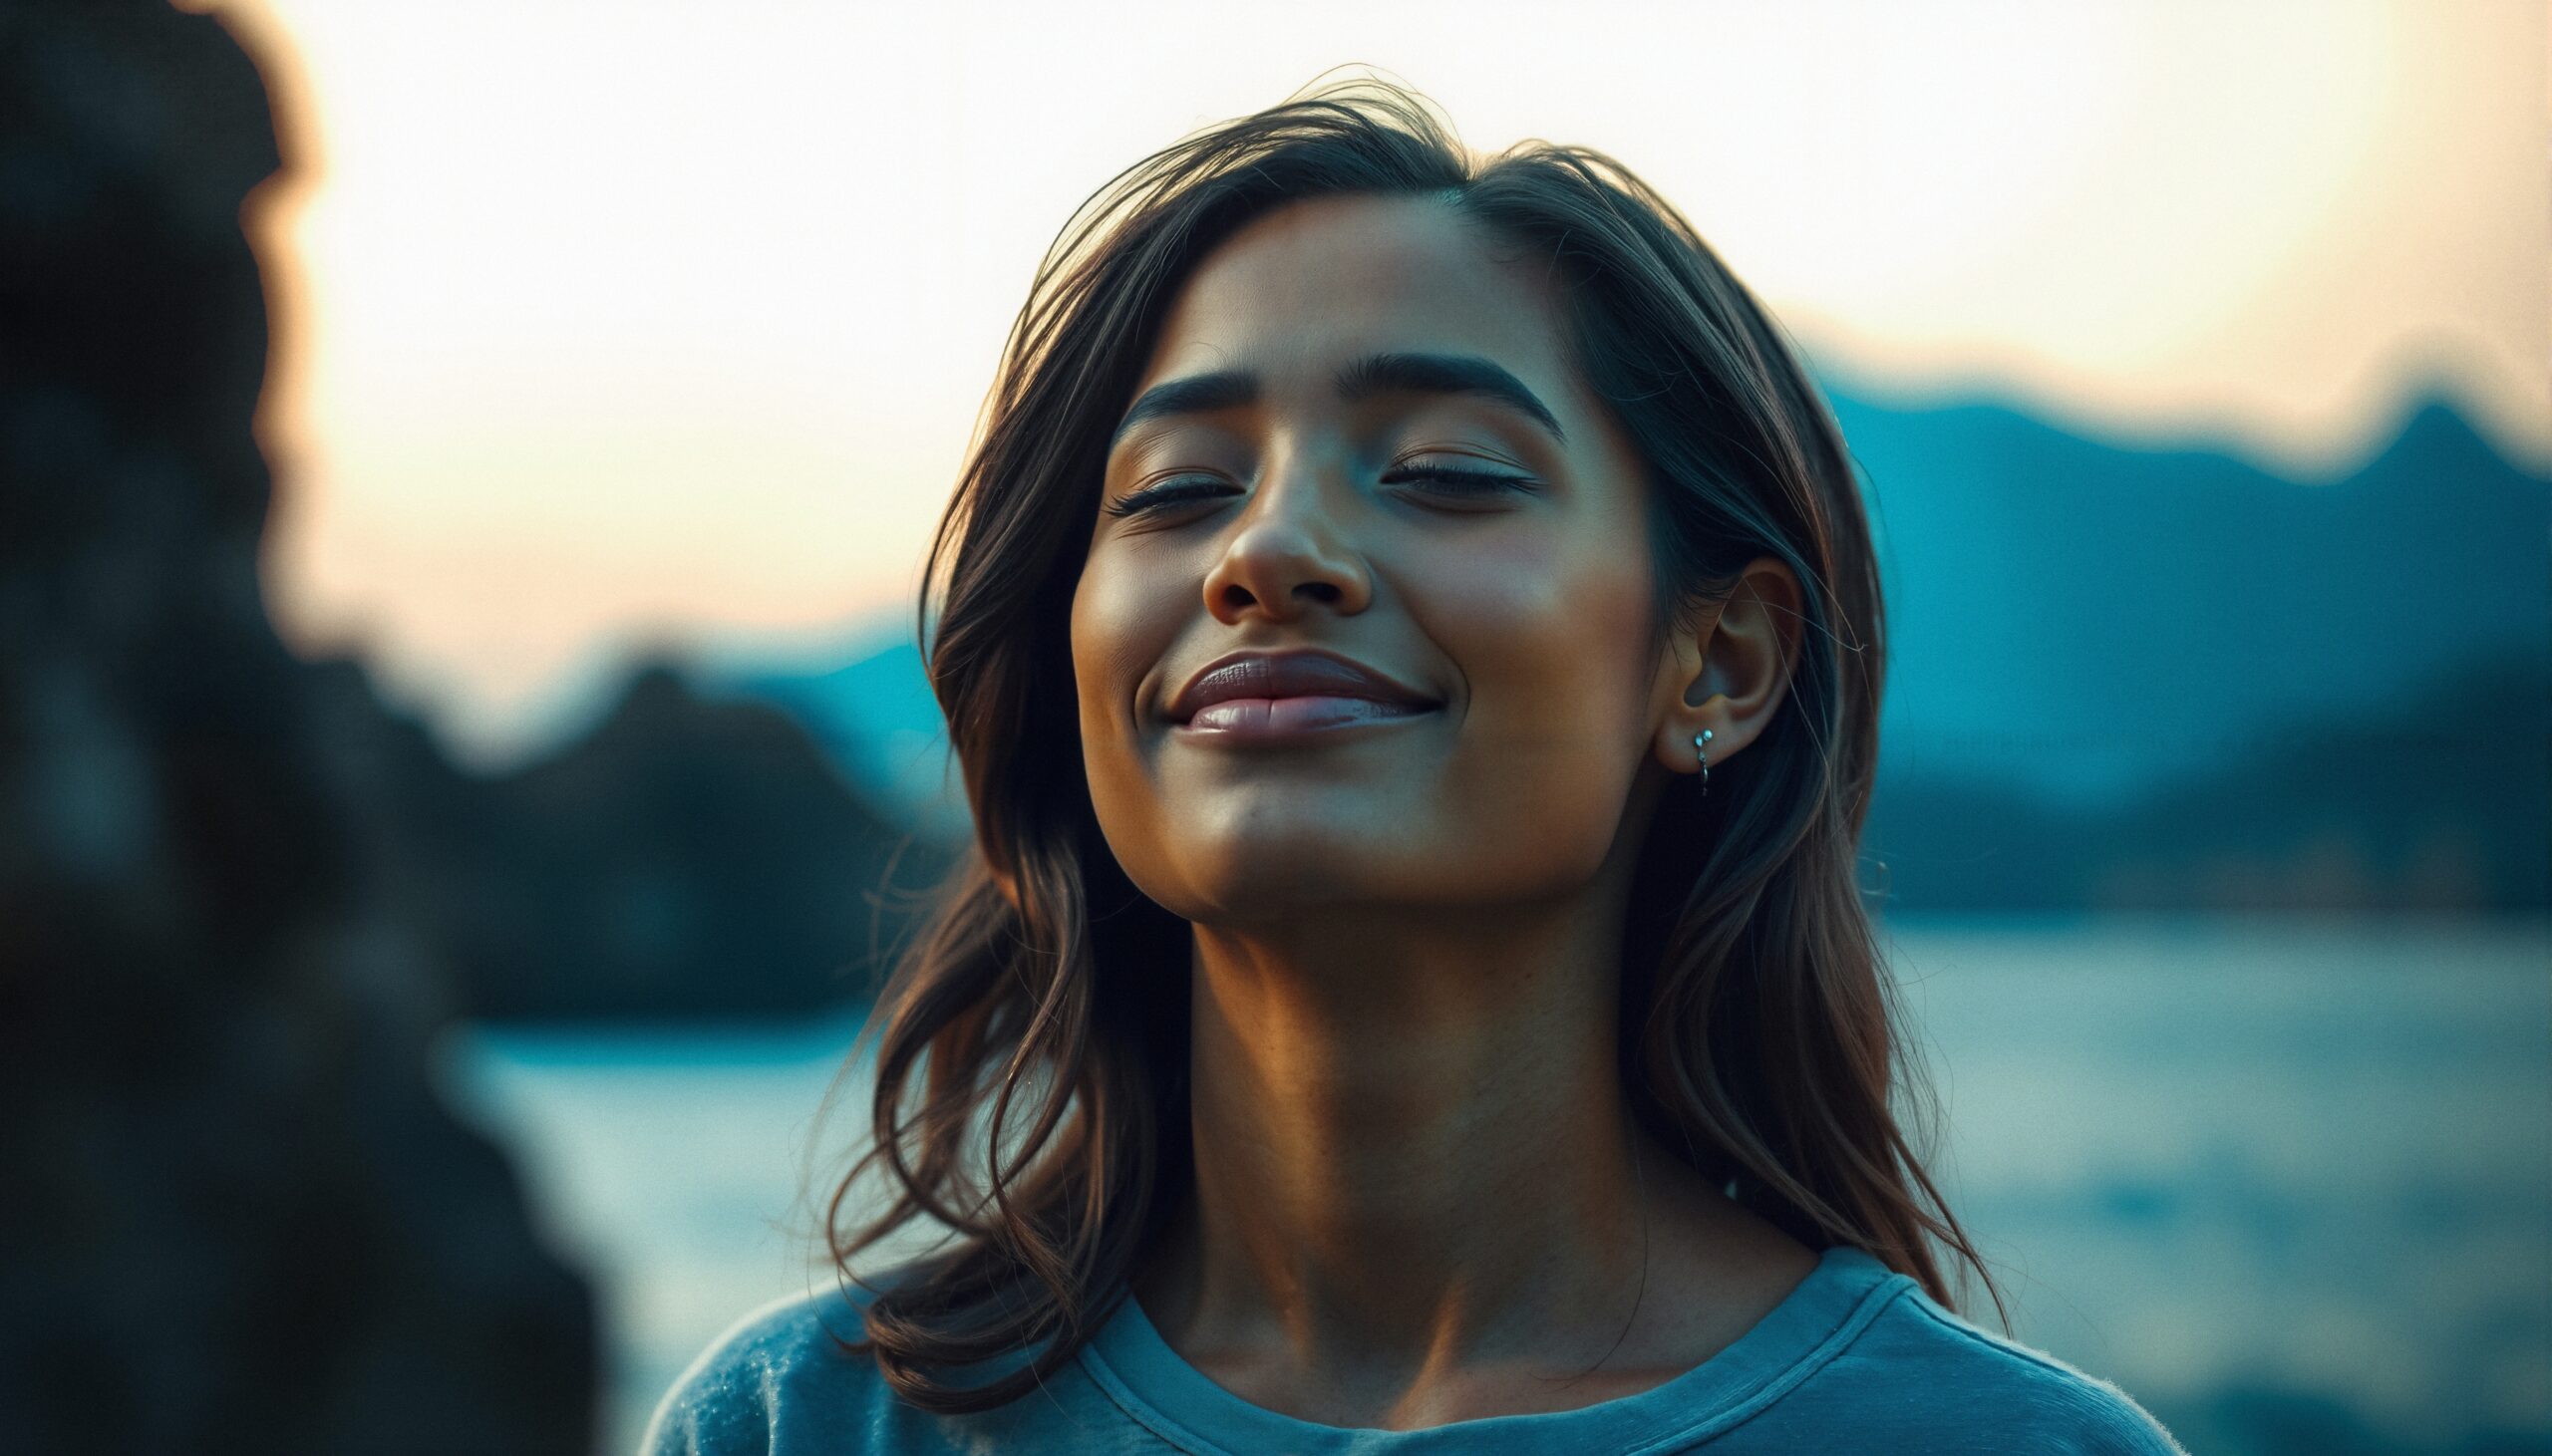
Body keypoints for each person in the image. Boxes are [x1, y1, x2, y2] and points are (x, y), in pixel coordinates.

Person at [645, 75, 2185, 1454]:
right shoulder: (802, 1425)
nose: (1268, 550)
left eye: (1444, 471)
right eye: (1179, 488)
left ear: (1717, 660)